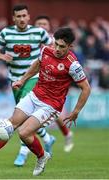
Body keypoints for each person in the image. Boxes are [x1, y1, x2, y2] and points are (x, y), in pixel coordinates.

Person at [0, 27, 91, 176]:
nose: (57, 49)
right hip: (34, 96)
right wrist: (22, 80)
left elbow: (86, 88)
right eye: (56, 44)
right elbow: (36, 65)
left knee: (24, 133)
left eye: (62, 46)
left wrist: (75, 111)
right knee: (9, 125)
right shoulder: (46, 50)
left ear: (70, 46)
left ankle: (42, 157)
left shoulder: (73, 65)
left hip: (51, 105)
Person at [0, 4, 55, 166]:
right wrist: (3, 57)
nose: (22, 19)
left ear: (29, 17)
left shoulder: (38, 32)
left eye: (24, 16)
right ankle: (47, 138)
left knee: (21, 120)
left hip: (33, 78)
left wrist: (45, 59)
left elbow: (53, 47)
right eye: (19, 16)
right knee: (24, 119)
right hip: (15, 80)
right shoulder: (6, 33)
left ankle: (22, 153)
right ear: (14, 18)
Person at [34, 15, 74, 150]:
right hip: (37, 76)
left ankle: (65, 135)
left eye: (44, 24)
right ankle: (45, 140)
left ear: (48, 26)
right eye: (38, 24)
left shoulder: (53, 41)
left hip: (52, 78)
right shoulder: (31, 39)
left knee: (56, 115)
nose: (41, 26)